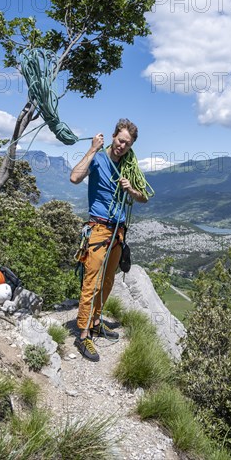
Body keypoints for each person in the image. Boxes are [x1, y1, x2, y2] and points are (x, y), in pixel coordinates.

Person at [70, 118, 149, 361]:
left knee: (107, 282)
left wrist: (131, 190)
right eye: (120, 140)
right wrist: (93, 148)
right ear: (114, 136)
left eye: (127, 143)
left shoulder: (128, 165)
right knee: (91, 281)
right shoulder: (98, 159)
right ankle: (83, 335)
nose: (122, 146)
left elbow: (144, 197)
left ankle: (95, 322)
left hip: (118, 231)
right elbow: (74, 177)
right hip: (99, 228)